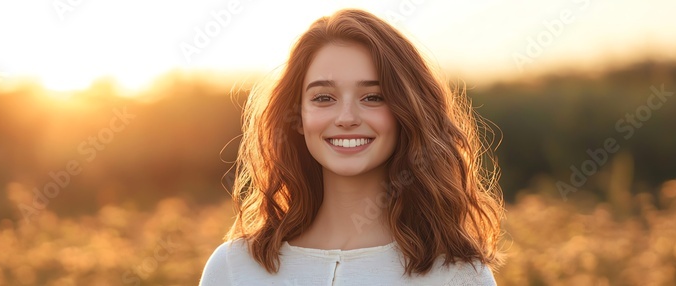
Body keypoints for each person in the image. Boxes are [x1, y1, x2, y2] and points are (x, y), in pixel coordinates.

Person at [200, 8, 505, 285]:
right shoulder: (232, 269)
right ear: (297, 118)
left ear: (407, 113)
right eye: (323, 98)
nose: (346, 118)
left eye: (373, 97)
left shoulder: (460, 276)